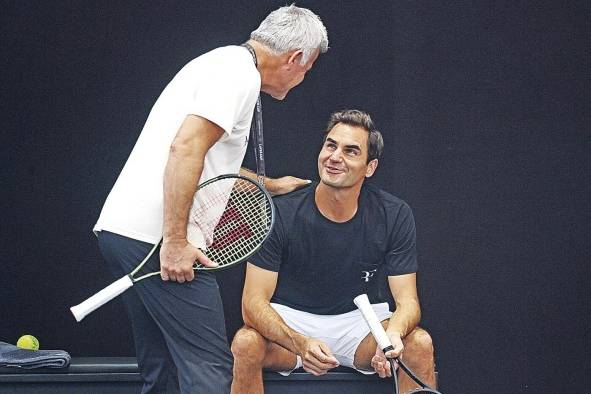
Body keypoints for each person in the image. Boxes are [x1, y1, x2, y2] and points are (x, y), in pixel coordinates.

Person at [92, 5, 328, 394]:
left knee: (162, 371)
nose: (305, 76)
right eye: (309, 67)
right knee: (211, 372)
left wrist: (268, 184)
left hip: (123, 233)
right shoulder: (238, 76)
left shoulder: (220, 63)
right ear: (296, 58)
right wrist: (176, 242)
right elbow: (185, 149)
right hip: (158, 242)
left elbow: (204, 162)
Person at [231, 110, 436, 394]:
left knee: (419, 344)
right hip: (292, 322)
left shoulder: (394, 213)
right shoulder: (280, 211)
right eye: (331, 145)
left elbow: (408, 302)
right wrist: (299, 342)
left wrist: (393, 335)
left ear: (370, 167)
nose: (335, 157)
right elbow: (252, 304)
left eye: (350, 151)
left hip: (358, 324)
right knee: (245, 343)